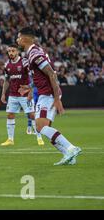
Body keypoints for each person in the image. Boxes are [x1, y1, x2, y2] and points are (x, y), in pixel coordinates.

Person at [17, 27, 81, 165]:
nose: (17, 40)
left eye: (18, 37)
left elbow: (51, 73)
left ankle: (71, 148)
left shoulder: (34, 53)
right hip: (46, 93)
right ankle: (68, 156)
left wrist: (56, 98)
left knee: (40, 127)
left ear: (24, 38)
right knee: (46, 129)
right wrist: (30, 86)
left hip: (48, 94)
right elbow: (42, 76)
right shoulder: (33, 52)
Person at [0, 44, 44, 146]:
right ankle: (10, 139)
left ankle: (39, 137)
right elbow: (6, 80)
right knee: (10, 114)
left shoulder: (24, 62)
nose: (11, 53)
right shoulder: (7, 65)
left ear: (17, 52)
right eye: (9, 51)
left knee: (32, 115)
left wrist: (31, 92)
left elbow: (33, 77)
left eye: (13, 51)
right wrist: (3, 94)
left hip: (25, 95)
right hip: (13, 95)